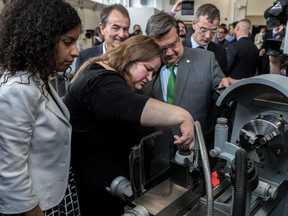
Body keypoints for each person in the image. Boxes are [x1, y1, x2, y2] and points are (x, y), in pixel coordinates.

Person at [63, 35, 195, 215]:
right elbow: (125, 105)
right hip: (97, 192)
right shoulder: (100, 81)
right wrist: (183, 116)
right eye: (147, 69)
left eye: (154, 74)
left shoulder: (107, 77)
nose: (149, 78)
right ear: (131, 57)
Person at [0, 0, 81, 215]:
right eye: (67, 42)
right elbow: (9, 173)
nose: (75, 52)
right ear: (42, 40)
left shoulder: (38, 80)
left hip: (54, 197)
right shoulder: (18, 90)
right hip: (35, 208)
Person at [144, 11, 237, 170]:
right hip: (157, 153)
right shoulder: (144, 66)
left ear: (180, 34)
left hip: (196, 151)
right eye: (162, 49)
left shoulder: (206, 59)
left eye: (173, 44)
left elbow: (221, 98)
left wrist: (227, 89)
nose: (170, 53)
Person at [74, 3, 130, 72]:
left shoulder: (133, 58)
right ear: (102, 29)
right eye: (115, 28)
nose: (122, 34)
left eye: (125, 29)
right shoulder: (85, 57)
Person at [182, 3, 228, 76]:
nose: (208, 36)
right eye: (203, 29)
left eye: (213, 30)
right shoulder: (180, 48)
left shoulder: (221, 52)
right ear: (194, 24)